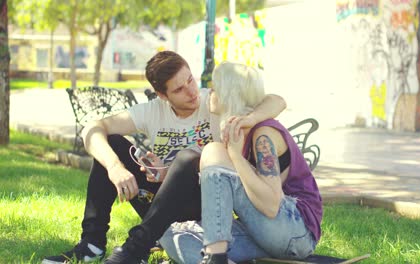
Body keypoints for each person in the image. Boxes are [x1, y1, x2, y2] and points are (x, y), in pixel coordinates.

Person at [42, 51, 286, 264]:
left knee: (188, 158)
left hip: (205, 203)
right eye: (179, 89)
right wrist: (115, 167)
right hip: (161, 200)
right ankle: (92, 245)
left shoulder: (212, 101)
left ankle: (135, 248)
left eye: (190, 80)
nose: (191, 92)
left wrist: (250, 120)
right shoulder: (152, 111)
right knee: (113, 145)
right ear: (162, 94)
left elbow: (277, 100)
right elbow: (92, 129)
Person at [159, 61, 323, 264]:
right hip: (261, 232)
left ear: (228, 94)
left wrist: (236, 157)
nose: (209, 92)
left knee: (213, 151)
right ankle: (219, 257)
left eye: (214, 88)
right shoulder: (239, 132)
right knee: (170, 235)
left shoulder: (264, 134)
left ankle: (215, 257)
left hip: (295, 231)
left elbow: (271, 205)